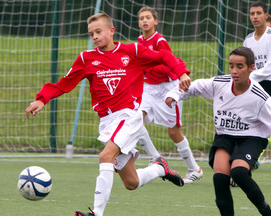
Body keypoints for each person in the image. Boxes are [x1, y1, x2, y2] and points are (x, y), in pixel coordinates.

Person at [26, 13, 190, 216]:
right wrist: (42, 99)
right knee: (131, 182)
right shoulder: (86, 58)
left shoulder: (133, 51)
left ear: (112, 31)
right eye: (91, 34)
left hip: (128, 116)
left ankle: (97, 213)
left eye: (98, 31)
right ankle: (160, 168)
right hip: (107, 122)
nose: (94, 36)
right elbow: (65, 83)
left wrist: (182, 72)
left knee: (105, 156)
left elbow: (164, 56)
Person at [165, 46, 271, 216]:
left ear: (251, 68)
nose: (234, 71)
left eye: (240, 66)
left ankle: (266, 211)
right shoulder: (219, 84)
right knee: (220, 178)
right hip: (225, 137)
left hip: (251, 138)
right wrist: (174, 95)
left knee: (239, 173)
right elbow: (192, 87)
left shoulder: (260, 97)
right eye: (231, 66)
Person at [137, 6, 203, 184]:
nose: (144, 21)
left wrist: (148, 68)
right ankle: (155, 157)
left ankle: (194, 168)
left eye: (148, 17)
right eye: (141, 18)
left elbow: (168, 62)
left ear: (155, 21)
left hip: (167, 87)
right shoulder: (139, 41)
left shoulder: (159, 41)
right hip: (149, 88)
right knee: (135, 119)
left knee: (173, 132)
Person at [244, 1, 271, 95]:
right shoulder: (248, 40)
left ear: (266, 15)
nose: (255, 16)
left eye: (259, 13)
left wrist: (248, 77)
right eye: (252, 14)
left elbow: (269, 68)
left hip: (268, 82)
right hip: (253, 84)